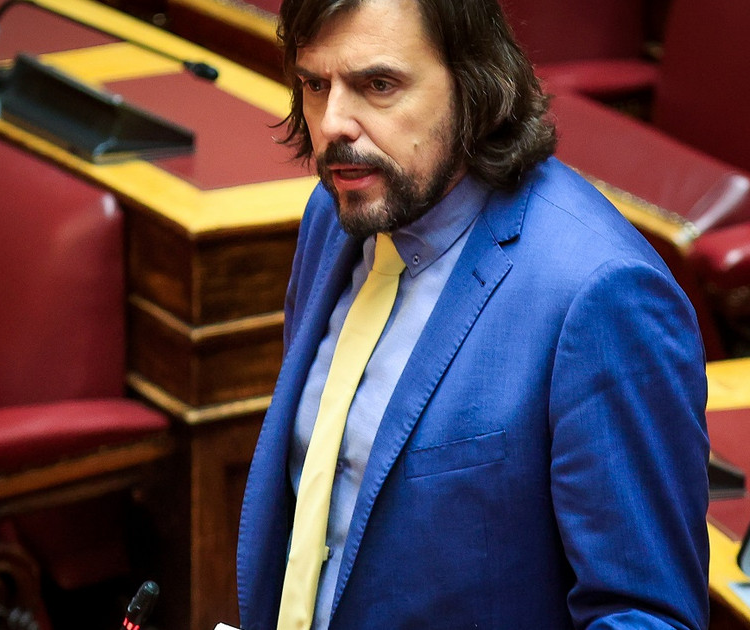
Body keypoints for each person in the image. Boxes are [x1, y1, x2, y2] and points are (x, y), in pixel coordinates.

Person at [236, 0, 710, 628]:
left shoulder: (601, 294)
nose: (332, 124)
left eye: (379, 85)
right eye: (316, 85)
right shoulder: (337, 212)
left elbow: (647, 615)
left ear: (474, 84)